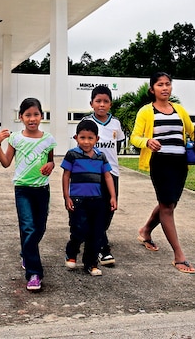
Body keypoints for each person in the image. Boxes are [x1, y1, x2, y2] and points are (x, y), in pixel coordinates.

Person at [129, 72, 195, 274]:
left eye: (167, 84)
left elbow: (192, 131)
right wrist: (147, 142)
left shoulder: (179, 110)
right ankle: (179, 255)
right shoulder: (146, 111)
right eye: (160, 85)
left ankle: (145, 230)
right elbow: (134, 137)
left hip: (180, 163)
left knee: (169, 204)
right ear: (152, 89)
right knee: (167, 206)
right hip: (160, 162)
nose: (164, 88)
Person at [0, 98, 57, 292]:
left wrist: (51, 165)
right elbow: (6, 162)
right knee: (28, 228)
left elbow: (51, 162)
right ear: (21, 117)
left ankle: (26, 252)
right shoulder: (16, 139)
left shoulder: (48, 139)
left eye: (36, 114)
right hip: (22, 189)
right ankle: (34, 274)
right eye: (28, 115)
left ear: (41, 116)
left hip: (42, 190)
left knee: (40, 228)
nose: (32, 119)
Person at [61, 119, 118, 276]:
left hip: (97, 201)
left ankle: (91, 263)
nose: (86, 142)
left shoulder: (101, 157)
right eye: (82, 138)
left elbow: (107, 176)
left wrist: (112, 197)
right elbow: (66, 176)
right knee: (79, 229)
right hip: (78, 200)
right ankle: (71, 253)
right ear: (76, 138)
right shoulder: (72, 155)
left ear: (97, 139)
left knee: (96, 233)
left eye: (90, 138)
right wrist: (67, 197)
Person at [81, 85, 125, 267]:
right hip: (92, 174)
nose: (101, 104)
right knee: (95, 211)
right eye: (98, 101)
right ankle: (102, 248)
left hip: (112, 173)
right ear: (91, 103)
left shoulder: (115, 123)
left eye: (105, 101)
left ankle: (96, 234)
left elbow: (118, 144)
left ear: (110, 104)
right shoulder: (86, 122)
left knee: (109, 210)